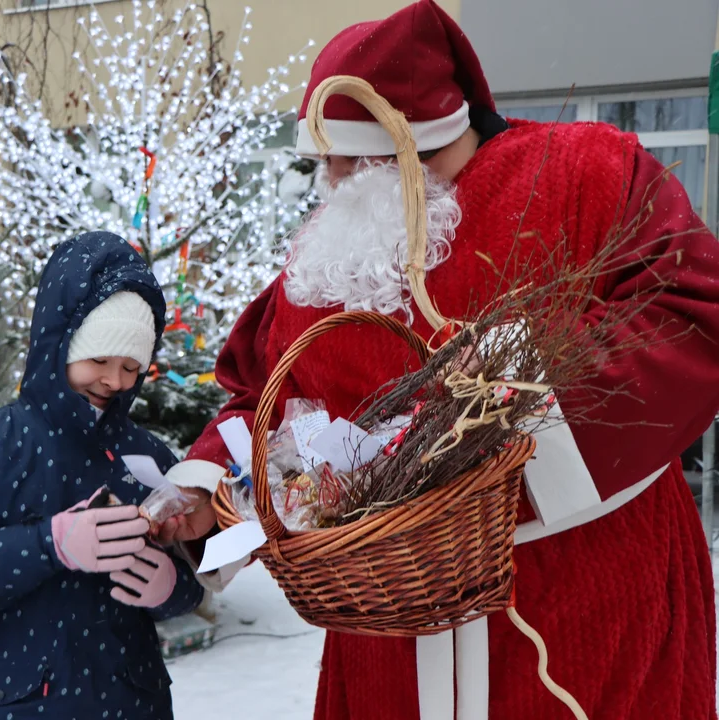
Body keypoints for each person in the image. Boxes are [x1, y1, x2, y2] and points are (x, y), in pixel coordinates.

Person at [168, 1, 719, 718]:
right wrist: (207, 488)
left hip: (582, 601)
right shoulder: (336, 248)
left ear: (398, 148)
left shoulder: (585, 174)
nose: (325, 180)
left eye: (340, 157)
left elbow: (690, 316)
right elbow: (262, 395)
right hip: (388, 635)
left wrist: (496, 436)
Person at [0, 232, 205, 720]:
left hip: (130, 702)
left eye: (132, 366)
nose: (115, 380)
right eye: (99, 360)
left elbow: (194, 571)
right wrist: (50, 544)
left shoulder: (146, 456)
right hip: (14, 704)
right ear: (59, 345)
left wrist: (172, 586)